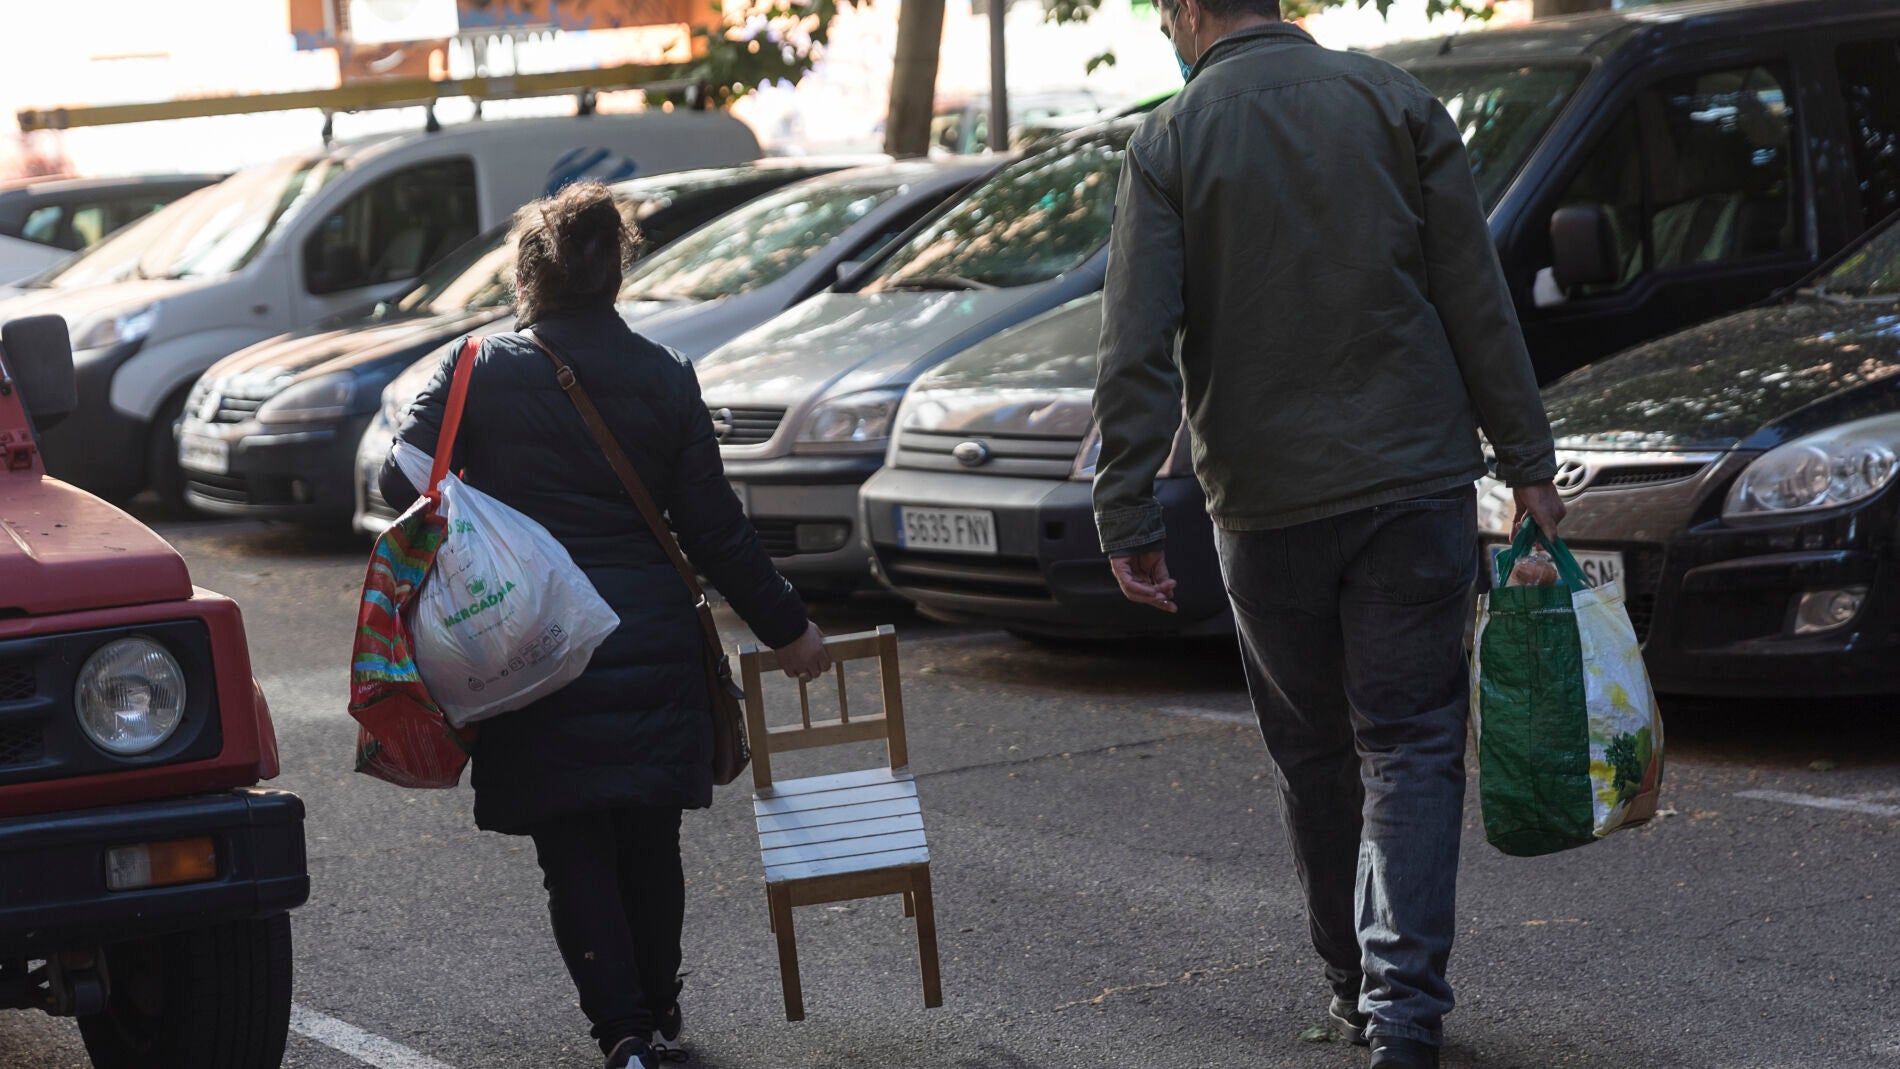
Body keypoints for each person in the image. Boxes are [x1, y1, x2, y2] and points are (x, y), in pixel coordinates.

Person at [1090, 4, 1566, 1068]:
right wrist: (1526, 462)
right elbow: (1473, 296)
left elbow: (1133, 342)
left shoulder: (1168, 139)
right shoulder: (1392, 101)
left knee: (1314, 754)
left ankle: (1353, 985)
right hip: (1413, 477)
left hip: (1263, 501)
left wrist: (1125, 510)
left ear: (1190, 13)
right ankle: (1404, 1010)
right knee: (1410, 742)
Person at [380, 180, 833, 1069]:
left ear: (529, 276)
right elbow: (714, 528)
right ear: (615, 273)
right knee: (649, 837)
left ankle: (623, 1036)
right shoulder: (665, 375)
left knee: (573, 843)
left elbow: (403, 483)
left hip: (531, 650)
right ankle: (661, 1015)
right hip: (651, 642)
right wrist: (793, 630)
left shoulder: (475, 368)